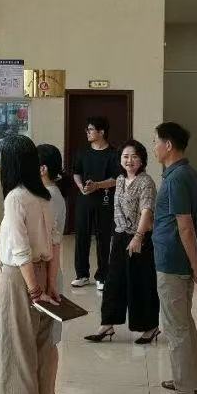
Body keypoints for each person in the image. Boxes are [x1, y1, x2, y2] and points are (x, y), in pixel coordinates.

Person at [0, 135, 60, 394]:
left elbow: (20, 250)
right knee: (42, 345)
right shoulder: (45, 195)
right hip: (43, 272)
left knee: (17, 349)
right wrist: (50, 284)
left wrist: (34, 291)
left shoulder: (15, 197)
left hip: (20, 278)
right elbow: (55, 242)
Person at [151, 122, 197, 394]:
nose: (154, 147)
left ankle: (184, 390)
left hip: (173, 261)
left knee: (176, 327)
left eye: (156, 142)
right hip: (181, 259)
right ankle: (192, 380)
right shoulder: (189, 173)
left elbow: (186, 225)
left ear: (168, 145)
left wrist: (196, 263)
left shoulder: (176, 178)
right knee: (184, 322)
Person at [84, 140, 160, 344]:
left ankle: (150, 327)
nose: (129, 160)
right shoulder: (119, 179)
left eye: (134, 156)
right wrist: (97, 185)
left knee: (140, 283)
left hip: (139, 237)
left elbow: (147, 211)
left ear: (142, 160)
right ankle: (107, 324)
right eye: (125, 156)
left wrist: (138, 237)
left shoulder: (146, 182)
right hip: (119, 236)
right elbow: (113, 191)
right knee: (113, 281)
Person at [72, 116, 122, 290]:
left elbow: (116, 179)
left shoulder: (113, 154)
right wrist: (81, 187)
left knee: (103, 238)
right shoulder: (82, 152)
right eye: (87, 129)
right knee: (81, 237)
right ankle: (82, 275)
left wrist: (97, 185)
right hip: (84, 200)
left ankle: (102, 276)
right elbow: (76, 173)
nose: (87, 132)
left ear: (101, 132)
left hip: (104, 200)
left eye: (91, 129)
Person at [37, 143, 65, 384]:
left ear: (43, 169)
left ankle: (48, 391)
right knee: (43, 339)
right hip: (46, 273)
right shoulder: (45, 194)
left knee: (48, 341)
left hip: (49, 274)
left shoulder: (50, 197)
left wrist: (49, 282)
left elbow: (52, 243)